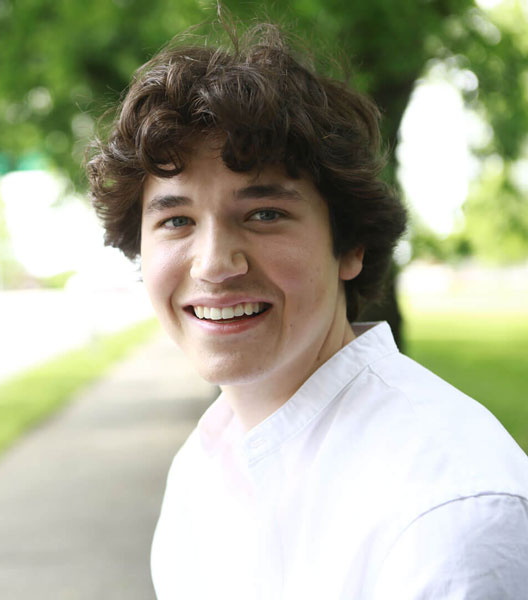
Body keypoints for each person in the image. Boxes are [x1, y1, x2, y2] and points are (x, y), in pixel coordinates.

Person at [87, 17, 528, 600]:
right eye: (176, 220)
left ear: (349, 245)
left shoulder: (446, 515)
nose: (215, 264)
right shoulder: (202, 465)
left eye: (265, 213)